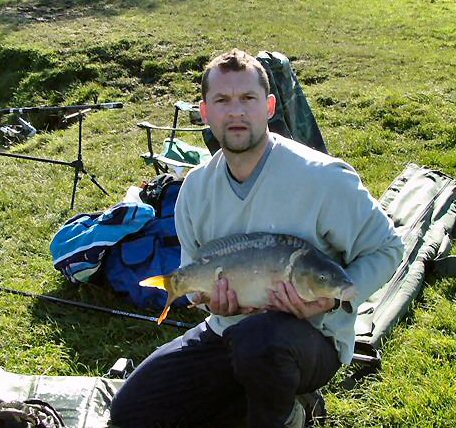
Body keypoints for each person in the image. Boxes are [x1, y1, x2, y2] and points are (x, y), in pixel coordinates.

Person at [110, 49, 404, 428]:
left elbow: (388, 249)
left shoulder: (323, 178)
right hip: (225, 331)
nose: (236, 112)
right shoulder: (196, 188)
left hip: (309, 340)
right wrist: (212, 304)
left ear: (268, 106)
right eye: (223, 101)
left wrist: (330, 301)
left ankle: (289, 414)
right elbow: (194, 279)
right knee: (132, 411)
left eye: (247, 99)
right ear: (205, 112)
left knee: (262, 342)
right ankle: (252, 400)